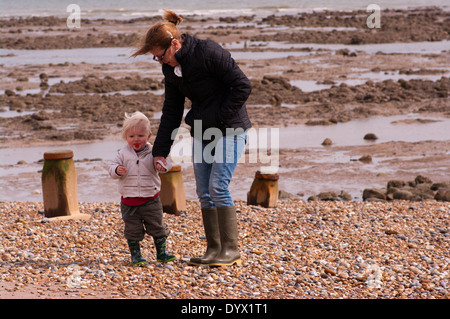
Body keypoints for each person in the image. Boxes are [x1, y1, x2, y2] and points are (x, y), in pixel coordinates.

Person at [130, 10, 252, 267]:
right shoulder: (170, 69)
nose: (159, 61)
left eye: (160, 55)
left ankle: (231, 250)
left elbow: (242, 86)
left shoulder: (209, 52)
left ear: (175, 44)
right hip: (204, 132)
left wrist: (218, 118)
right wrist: (159, 152)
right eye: (155, 58)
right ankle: (214, 249)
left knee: (218, 186)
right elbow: (172, 111)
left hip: (231, 129)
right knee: (204, 192)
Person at [108, 111, 176, 265]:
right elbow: (111, 168)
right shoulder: (122, 154)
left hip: (150, 199)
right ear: (126, 137)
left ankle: (162, 252)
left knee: (157, 226)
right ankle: (136, 255)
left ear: (149, 135)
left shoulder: (154, 152)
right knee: (132, 230)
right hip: (128, 201)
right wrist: (117, 169)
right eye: (131, 136)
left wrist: (162, 165)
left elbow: (168, 163)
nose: (136, 139)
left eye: (140, 136)